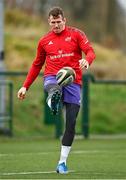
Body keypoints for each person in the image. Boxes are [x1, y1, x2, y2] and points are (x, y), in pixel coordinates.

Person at [17, 7, 96, 174]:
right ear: (49, 22)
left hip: (74, 81)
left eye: (59, 22)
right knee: (53, 87)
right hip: (53, 76)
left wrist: (87, 61)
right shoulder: (44, 41)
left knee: (71, 123)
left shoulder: (76, 34)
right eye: (53, 22)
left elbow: (90, 51)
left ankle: (62, 162)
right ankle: (52, 98)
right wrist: (25, 86)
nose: (56, 25)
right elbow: (37, 64)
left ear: (64, 20)